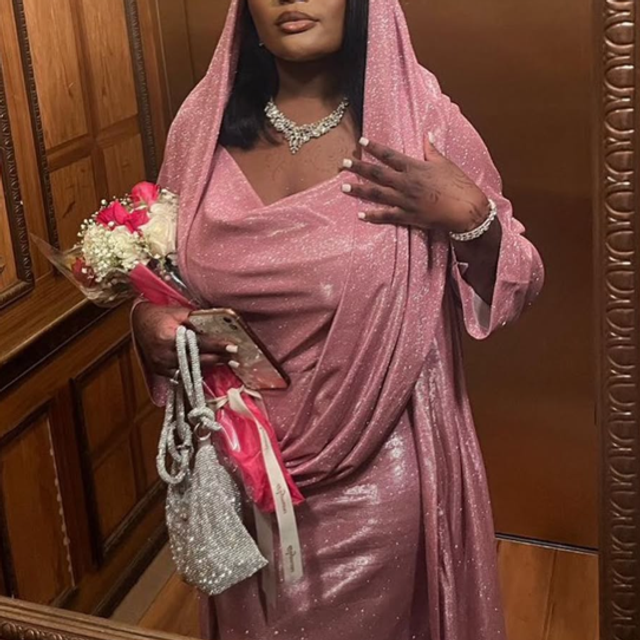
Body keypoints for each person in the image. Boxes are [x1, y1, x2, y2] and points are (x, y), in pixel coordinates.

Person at [132, 0, 544, 638]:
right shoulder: (202, 125)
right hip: (236, 469)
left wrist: (472, 218)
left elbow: (521, 279)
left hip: (375, 474)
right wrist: (148, 322)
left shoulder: (419, 120)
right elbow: (169, 274)